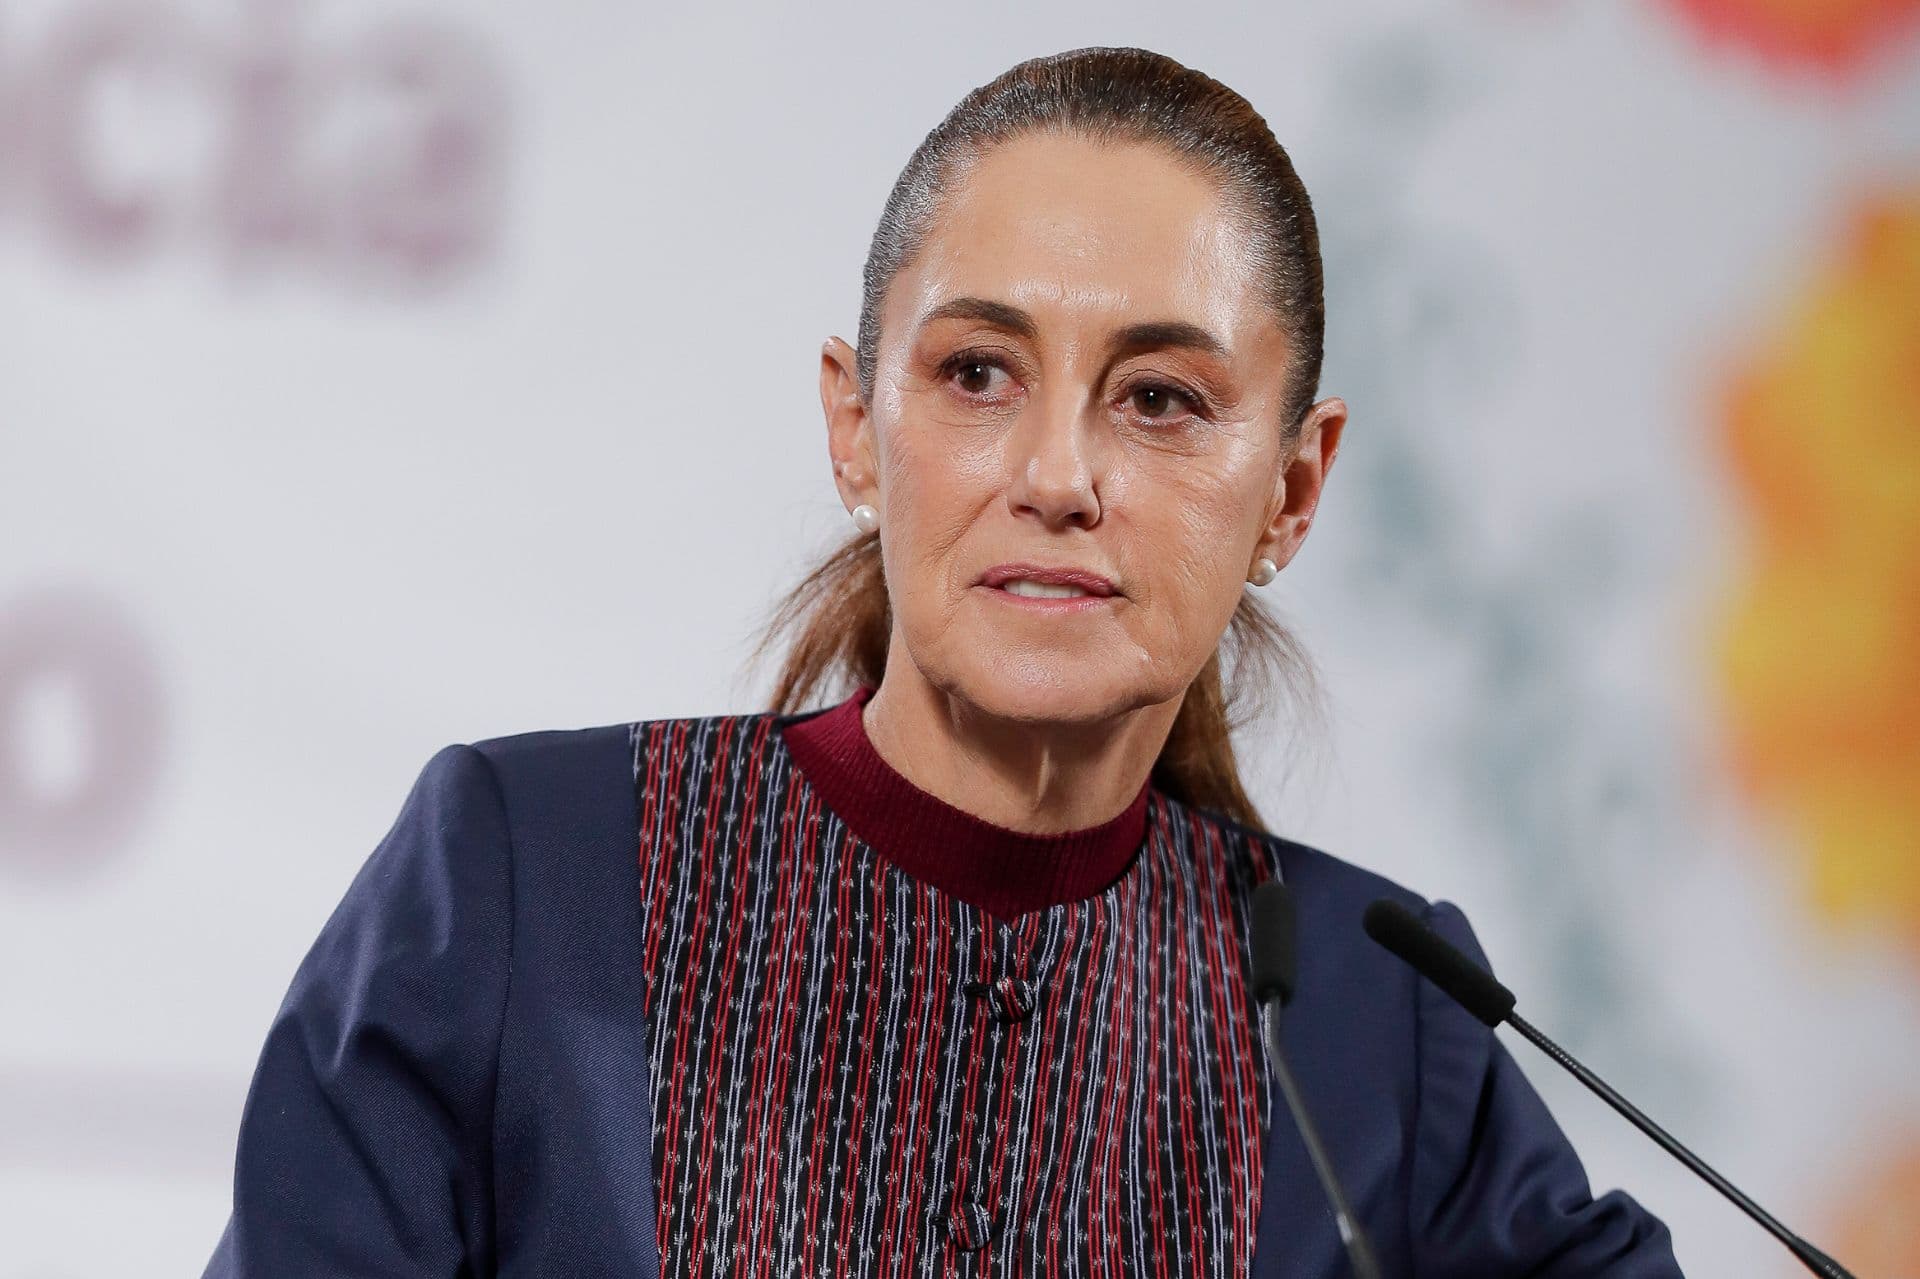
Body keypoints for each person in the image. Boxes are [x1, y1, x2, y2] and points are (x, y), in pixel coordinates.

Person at [203, 46, 1683, 1277]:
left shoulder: (1379, 1025)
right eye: (978, 373)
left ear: (1295, 488)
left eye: (1160, 399)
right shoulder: (525, 880)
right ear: (857, 425)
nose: (1057, 473)